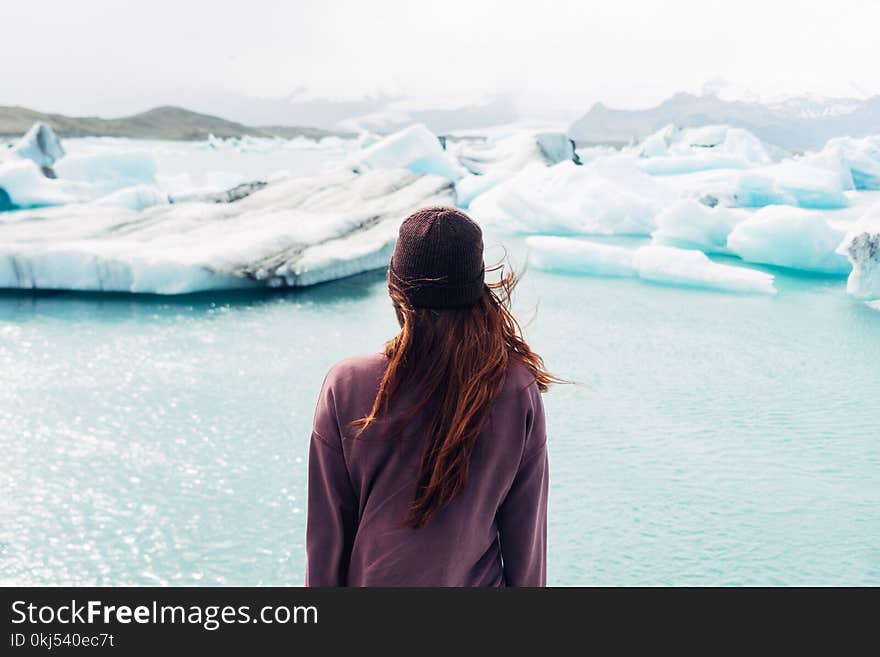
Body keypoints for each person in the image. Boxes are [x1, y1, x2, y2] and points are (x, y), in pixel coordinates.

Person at [306, 206, 560, 587]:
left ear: (395, 291)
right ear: (476, 292)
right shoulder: (514, 389)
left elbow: (327, 541)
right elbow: (526, 545)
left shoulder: (347, 384)